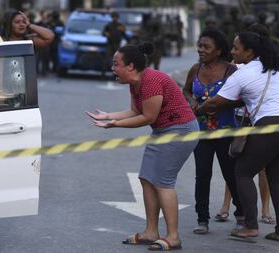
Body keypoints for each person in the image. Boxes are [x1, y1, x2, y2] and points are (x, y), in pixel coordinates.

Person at [86, 42, 199, 250]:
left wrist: (115, 124)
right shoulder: (135, 82)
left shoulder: (152, 81)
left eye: (116, 64)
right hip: (163, 131)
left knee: (163, 182)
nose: (112, 68)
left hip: (180, 131)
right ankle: (150, 232)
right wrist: (108, 115)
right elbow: (134, 111)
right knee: (147, 178)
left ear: (130, 66)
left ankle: (173, 237)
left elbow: (147, 117)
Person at [197, 30, 279, 241]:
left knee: (241, 172)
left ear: (249, 52)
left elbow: (215, 102)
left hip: (268, 125)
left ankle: (250, 226)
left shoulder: (242, 73)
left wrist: (196, 111)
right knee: (275, 177)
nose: (232, 51)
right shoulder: (272, 65)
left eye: (236, 48)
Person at [183, 29, 243, 234]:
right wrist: (191, 102)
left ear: (218, 50)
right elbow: (186, 90)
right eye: (200, 46)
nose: (200, 50)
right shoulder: (195, 69)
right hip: (200, 132)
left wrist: (221, 105)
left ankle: (241, 215)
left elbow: (242, 98)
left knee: (231, 175)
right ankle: (202, 219)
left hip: (225, 131)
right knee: (202, 175)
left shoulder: (231, 71)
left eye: (206, 47)